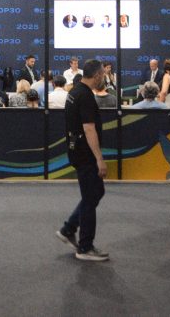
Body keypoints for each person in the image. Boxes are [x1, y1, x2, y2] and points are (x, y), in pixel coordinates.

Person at [55, 59, 109, 261]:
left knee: (96, 192)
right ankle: (85, 247)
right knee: (90, 197)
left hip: (76, 150)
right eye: (103, 74)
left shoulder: (74, 92)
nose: (104, 78)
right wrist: (99, 159)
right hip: (85, 154)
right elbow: (89, 128)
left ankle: (69, 228)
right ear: (97, 75)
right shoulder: (85, 96)